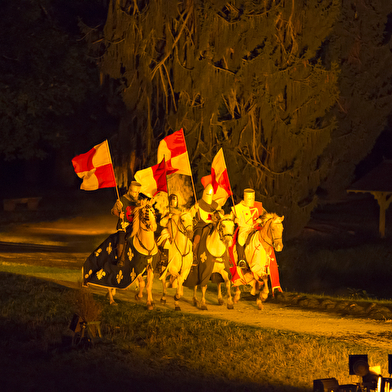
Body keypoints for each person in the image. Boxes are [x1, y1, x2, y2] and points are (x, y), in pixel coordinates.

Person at [231, 188, 265, 268]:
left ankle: (267, 259)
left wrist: (261, 219)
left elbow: (265, 215)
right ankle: (241, 259)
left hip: (255, 228)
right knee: (240, 239)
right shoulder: (238, 207)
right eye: (249, 198)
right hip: (244, 228)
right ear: (245, 197)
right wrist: (234, 219)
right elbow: (230, 218)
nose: (251, 199)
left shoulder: (258, 206)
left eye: (252, 198)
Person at [190, 183, 224, 260]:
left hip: (212, 226)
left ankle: (224, 255)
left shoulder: (215, 204)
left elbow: (221, 211)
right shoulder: (198, 203)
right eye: (207, 194)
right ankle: (194, 255)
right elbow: (191, 214)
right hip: (200, 226)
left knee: (222, 236)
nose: (208, 196)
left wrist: (219, 212)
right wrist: (195, 209)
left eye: (210, 194)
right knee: (197, 238)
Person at [111, 181, 142, 265]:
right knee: (121, 240)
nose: (136, 194)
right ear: (130, 190)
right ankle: (121, 259)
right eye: (135, 192)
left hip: (135, 226)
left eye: (138, 192)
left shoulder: (139, 201)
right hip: (124, 225)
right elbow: (114, 211)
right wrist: (119, 214)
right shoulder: (122, 199)